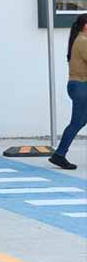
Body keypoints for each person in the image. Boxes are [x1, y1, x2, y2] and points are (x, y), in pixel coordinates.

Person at [51, 13, 87, 170]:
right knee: (76, 122)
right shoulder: (83, 41)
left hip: (79, 86)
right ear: (86, 26)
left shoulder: (80, 39)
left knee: (80, 121)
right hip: (81, 87)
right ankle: (59, 155)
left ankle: (59, 154)